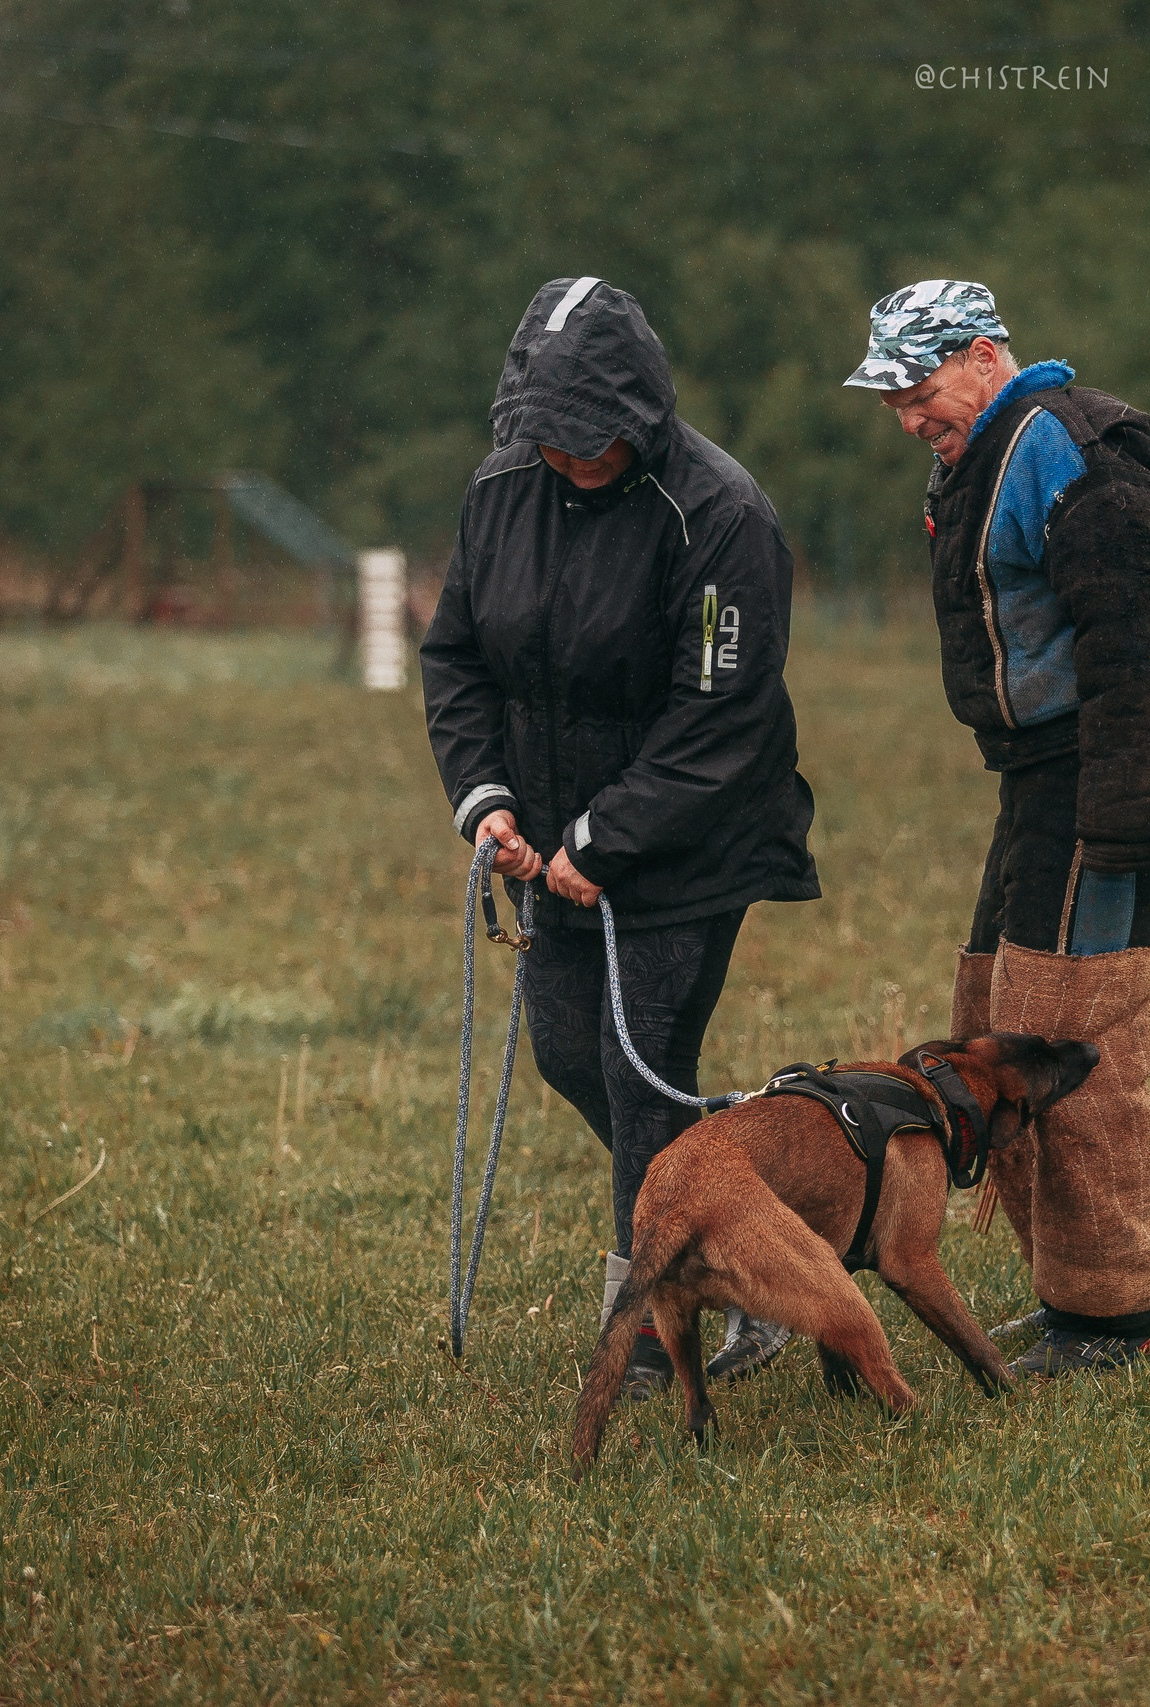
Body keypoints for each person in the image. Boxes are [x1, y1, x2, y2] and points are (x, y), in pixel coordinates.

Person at [423, 276, 819, 1399]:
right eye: (548, 438)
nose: (569, 458)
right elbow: (455, 656)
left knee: (641, 1077)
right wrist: (487, 797)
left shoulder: (722, 515)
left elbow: (723, 713)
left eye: (592, 439)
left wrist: (607, 838)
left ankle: (652, 1325)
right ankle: (752, 1205)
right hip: (549, 842)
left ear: (640, 411)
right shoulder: (500, 489)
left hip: (691, 841)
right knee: (565, 1050)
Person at [843, 280, 1150, 1376]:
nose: (911, 417)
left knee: (1069, 1045)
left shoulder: (1079, 452)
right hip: (1041, 782)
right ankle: (1070, 1299)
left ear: (981, 356)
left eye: (920, 391)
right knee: (995, 1022)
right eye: (893, 404)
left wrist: (1121, 823)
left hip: (1110, 779)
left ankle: (1118, 1317)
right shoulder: (984, 454)